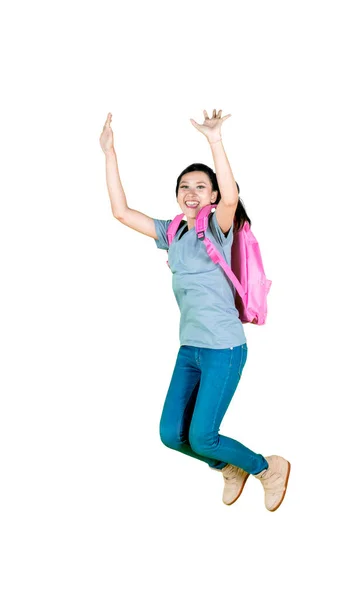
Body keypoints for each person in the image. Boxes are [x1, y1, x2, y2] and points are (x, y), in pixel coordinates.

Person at [99, 109, 290, 511]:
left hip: (224, 348)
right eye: (185, 186)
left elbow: (233, 195)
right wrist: (109, 153)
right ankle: (229, 465)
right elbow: (121, 212)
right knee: (172, 434)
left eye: (201, 187)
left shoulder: (217, 228)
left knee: (202, 436)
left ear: (213, 196)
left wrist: (215, 140)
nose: (191, 192)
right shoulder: (173, 232)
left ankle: (265, 467)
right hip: (190, 350)